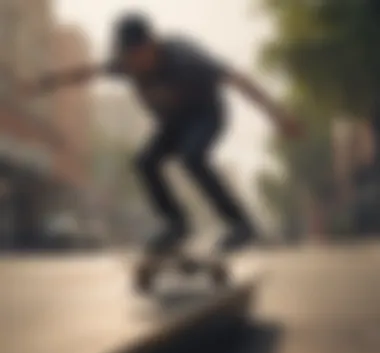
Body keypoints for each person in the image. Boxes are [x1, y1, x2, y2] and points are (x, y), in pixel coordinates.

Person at [20, 13, 300, 254]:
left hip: (206, 115)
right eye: (129, 56)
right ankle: (177, 225)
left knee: (192, 157)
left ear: (152, 43)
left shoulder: (185, 56)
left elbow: (238, 79)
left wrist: (277, 115)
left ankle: (240, 224)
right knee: (144, 162)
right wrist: (44, 84)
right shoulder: (125, 64)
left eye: (141, 54)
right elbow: (85, 73)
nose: (137, 63)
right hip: (173, 125)